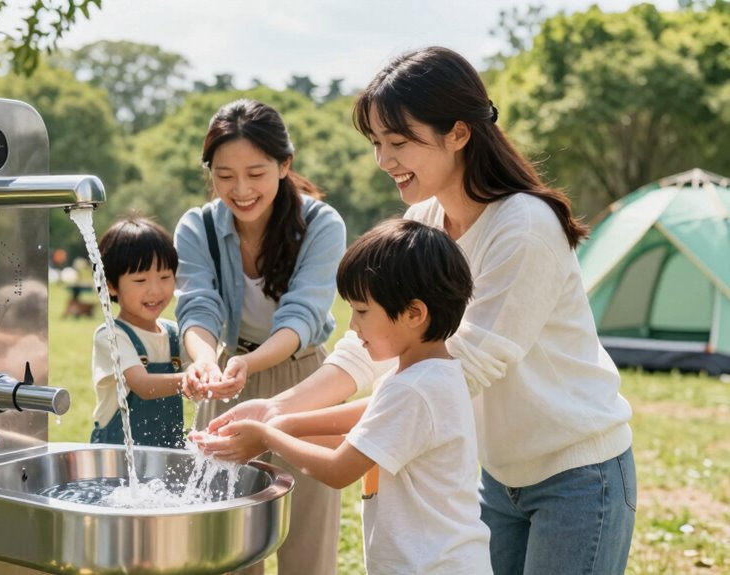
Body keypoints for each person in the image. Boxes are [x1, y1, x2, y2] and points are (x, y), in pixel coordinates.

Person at [200, 47, 636, 575]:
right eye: (378, 143)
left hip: (576, 473)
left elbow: (454, 377)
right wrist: (276, 409)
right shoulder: (424, 219)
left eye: (400, 142)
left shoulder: (523, 228)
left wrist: (282, 425)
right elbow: (366, 351)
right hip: (498, 476)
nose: (384, 160)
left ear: (457, 133)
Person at [205, 218, 491, 574]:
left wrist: (267, 437)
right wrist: (277, 420)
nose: (353, 326)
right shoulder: (427, 375)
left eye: (361, 311)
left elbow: (340, 469)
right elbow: (362, 427)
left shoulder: (414, 389)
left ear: (414, 313)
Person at [173, 99, 346, 575]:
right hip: (227, 382)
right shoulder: (198, 226)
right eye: (225, 175)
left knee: (307, 541)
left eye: (256, 172)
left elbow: (302, 316)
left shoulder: (321, 225)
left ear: (284, 165)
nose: (241, 189)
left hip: (305, 381)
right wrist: (203, 361)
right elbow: (197, 305)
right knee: (226, 541)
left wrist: (249, 364)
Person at [89, 216, 187, 448]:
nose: (155, 290)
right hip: (118, 455)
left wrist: (210, 377)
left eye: (165, 277)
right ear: (111, 285)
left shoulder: (175, 333)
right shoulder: (111, 336)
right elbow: (143, 385)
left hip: (168, 454)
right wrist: (192, 381)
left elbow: (199, 369)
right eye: (140, 280)